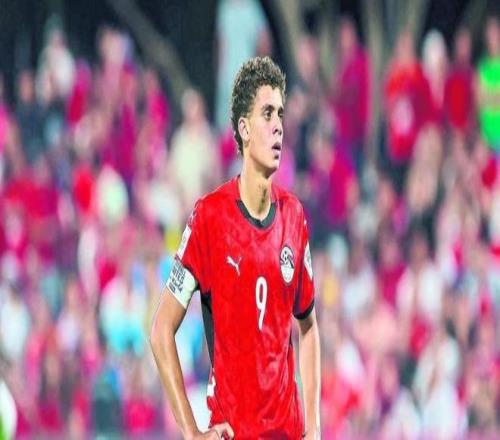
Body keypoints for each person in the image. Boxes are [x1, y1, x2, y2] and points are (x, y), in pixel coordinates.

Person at [150, 57, 321, 439]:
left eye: (280, 113)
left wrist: (314, 428)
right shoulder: (209, 218)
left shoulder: (294, 216)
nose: (278, 125)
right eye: (267, 114)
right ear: (244, 129)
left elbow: (308, 327)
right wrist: (192, 432)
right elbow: (161, 330)